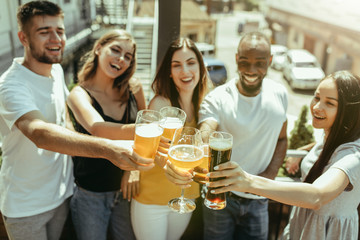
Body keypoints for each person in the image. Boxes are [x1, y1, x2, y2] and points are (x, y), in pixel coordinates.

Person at [0, 1, 153, 240]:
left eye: (59, 31)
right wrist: (109, 150)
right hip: (26, 205)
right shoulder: (10, 86)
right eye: (44, 32)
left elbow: (65, 122)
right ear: (23, 37)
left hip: (63, 193)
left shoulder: (56, 70)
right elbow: (39, 133)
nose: (56, 39)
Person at [206, 70, 360, 240]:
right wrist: (303, 152)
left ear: (350, 112)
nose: (316, 107)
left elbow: (317, 196)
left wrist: (248, 181)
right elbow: (325, 148)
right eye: (317, 97)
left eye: (329, 103)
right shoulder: (331, 136)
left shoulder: (353, 157)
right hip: (300, 226)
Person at [165, 31, 288, 240]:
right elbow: (206, 129)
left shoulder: (280, 93)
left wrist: (270, 175)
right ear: (236, 59)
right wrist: (199, 143)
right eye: (244, 62)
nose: (251, 70)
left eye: (259, 63)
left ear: (270, 61)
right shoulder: (218, 98)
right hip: (220, 198)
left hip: (260, 198)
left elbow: (282, 138)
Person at [66, 29, 145, 240]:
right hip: (90, 195)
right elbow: (98, 128)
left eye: (128, 56)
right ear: (98, 48)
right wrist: (151, 131)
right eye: (116, 50)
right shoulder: (78, 94)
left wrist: (134, 170)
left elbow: (144, 140)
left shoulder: (134, 89)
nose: (121, 59)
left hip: (127, 193)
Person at [130, 38, 209, 240]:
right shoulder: (161, 103)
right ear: (169, 72)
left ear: (200, 66)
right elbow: (156, 152)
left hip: (186, 196)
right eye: (177, 65)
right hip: (152, 199)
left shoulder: (205, 104)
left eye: (191, 63)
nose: (185, 71)